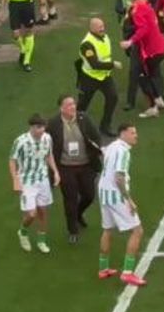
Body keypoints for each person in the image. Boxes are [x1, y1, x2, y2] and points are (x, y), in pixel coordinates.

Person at [46, 95, 102, 246]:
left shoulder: (84, 119)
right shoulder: (53, 123)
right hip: (65, 167)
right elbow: (47, 144)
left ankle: (78, 214)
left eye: (73, 104)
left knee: (89, 195)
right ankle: (73, 230)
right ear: (61, 108)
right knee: (70, 199)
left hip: (85, 165)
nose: (73, 107)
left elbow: (96, 136)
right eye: (69, 105)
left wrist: (96, 151)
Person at [97, 123, 147, 286]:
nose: (136, 136)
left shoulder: (112, 146)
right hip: (116, 195)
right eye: (133, 133)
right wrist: (129, 200)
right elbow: (119, 177)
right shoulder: (124, 151)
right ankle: (127, 272)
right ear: (123, 134)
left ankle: (103, 268)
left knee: (107, 229)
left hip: (103, 193)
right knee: (137, 230)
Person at [9, 113, 61, 253]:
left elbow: (49, 155)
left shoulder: (47, 138)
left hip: (42, 179)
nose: (42, 130)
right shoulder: (20, 141)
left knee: (43, 212)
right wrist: (15, 180)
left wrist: (55, 172)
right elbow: (12, 160)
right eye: (38, 127)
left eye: (43, 127)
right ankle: (23, 232)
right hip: (26, 181)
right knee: (31, 214)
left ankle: (41, 241)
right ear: (31, 127)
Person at [121, 0, 164, 118]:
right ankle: (159, 99)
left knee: (142, 76)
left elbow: (144, 28)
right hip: (160, 48)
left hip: (151, 50)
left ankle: (153, 106)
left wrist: (130, 41)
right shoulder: (148, 6)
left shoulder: (136, 9)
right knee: (151, 73)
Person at [75, 17, 122, 134]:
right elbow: (94, 64)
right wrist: (112, 64)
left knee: (113, 97)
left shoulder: (105, 37)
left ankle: (105, 126)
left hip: (104, 76)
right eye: (99, 27)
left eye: (103, 26)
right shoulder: (87, 44)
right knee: (82, 105)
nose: (102, 28)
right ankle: (74, 125)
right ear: (92, 28)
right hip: (89, 78)